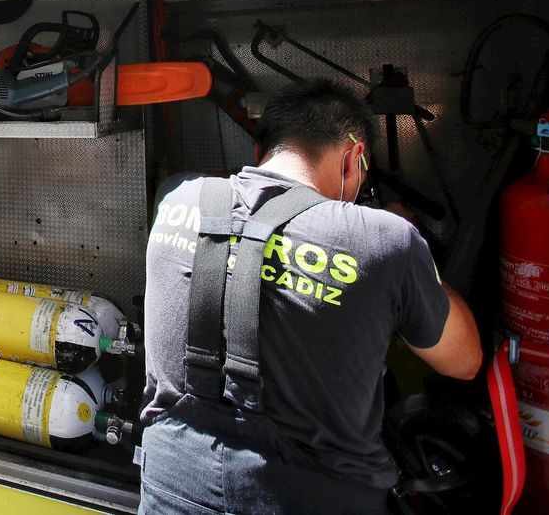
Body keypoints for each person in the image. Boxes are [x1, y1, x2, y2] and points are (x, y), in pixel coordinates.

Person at [138, 78, 481, 514]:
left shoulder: (176, 197)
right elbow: (464, 360)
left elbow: (246, 233)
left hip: (170, 489)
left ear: (260, 153)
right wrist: (413, 255)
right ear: (355, 157)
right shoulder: (387, 240)